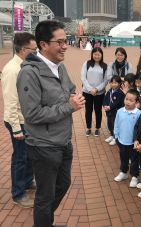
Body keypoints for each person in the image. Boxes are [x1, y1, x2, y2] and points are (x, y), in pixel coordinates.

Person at [16, 20, 85, 227]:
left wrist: (73, 95)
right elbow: (32, 113)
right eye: (60, 42)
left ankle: (44, 219)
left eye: (66, 41)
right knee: (45, 196)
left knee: (63, 184)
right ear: (43, 45)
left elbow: (69, 87)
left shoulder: (59, 67)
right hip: (44, 145)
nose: (65, 46)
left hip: (63, 140)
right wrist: (69, 107)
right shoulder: (29, 73)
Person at [1, 32, 36, 208]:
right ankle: (18, 193)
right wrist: (16, 129)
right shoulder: (12, 70)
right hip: (17, 121)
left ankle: (28, 181)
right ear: (23, 50)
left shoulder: (24, 65)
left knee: (28, 155)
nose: (36, 52)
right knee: (20, 158)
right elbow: (10, 102)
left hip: (26, 119)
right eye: (33, 49)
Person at [114, 89, 141, 187]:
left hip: (133, 143)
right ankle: (124, 172)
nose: (127, 102)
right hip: (121, 140)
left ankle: (134, 176)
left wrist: (138, 141)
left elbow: (140, 129)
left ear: (136, 102)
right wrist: (116, 136)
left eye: (131, 100)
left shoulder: (139, 114)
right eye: (126, 99)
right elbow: (116, 124)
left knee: (134, 160)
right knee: (123, 158)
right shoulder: (120, 111)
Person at [81, 47, 108, 136]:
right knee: (88, 110)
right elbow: (83, 78)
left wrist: (96, 89)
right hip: (87, 92)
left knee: (98, 110)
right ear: (92, 54)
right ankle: (88, 128)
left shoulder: (104, 66)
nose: (97, 56)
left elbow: (105, 81)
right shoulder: (87, 63)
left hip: (99, 93)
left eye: (98, 54)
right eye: (95, 54)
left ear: (101, 55)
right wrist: (90, 89)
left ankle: (97, 128)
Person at [103, 76, 125, 146]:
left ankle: (116, 138)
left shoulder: (120, 93)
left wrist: (110, 107)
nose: (113, 84)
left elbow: (117, 103)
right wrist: (104, 105)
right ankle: (112, 135)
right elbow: (105, 99)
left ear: (119, 83)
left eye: (115, 83)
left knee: (115, 125)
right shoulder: (109, 91)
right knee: (110, 124)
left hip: (115, 112)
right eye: (112, 82)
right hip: (109, 111)